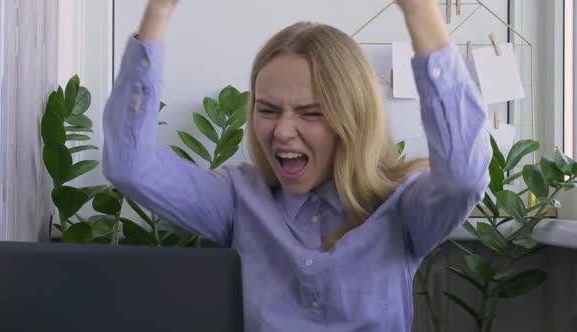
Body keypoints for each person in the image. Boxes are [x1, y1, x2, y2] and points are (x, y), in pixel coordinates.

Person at [102, 0, 492, 330]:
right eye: (267, 110)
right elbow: (130, 166)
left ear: (352, 118)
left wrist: (419, 11)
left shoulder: (403, 208)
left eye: (310, 113)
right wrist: (160, 9)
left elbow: (463, 179)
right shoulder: (237, 199)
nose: (282, 132)